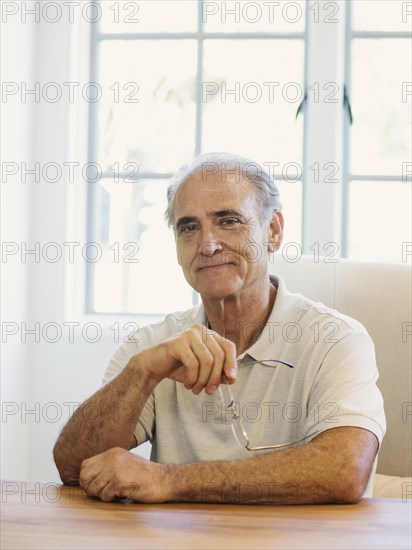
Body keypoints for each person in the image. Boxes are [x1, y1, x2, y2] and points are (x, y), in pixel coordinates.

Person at [53, 152, 386, 504]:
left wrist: (172, 480)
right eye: (189, 227)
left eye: (228, 221)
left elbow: (345, 470)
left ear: (272, 232)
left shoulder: (335, 340)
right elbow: (74, 468)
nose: (208, 245)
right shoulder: (151, 345)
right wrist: (142, 372)